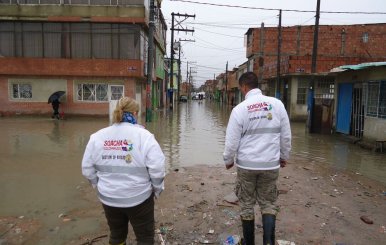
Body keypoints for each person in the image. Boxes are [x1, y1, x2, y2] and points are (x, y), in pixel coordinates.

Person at [82, 97, 165, 245]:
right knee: (145, 237)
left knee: (117, 235)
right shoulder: (145, 136)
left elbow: (87, 169)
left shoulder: (97, 137)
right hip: (139, 198)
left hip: (109, 198)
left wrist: (100, 185)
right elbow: (157, 169)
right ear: (134, 113)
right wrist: (157, 190)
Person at [223, 72, 291, 245]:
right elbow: (286, 136)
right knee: (268, 203)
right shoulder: (277, 105)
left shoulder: (239, 109)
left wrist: (228, 160)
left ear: (244, 87)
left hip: (246, 166)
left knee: (246, 204)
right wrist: (283, 156)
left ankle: (249, 242)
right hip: (270, 165)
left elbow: (231, 141)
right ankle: (269, 242)